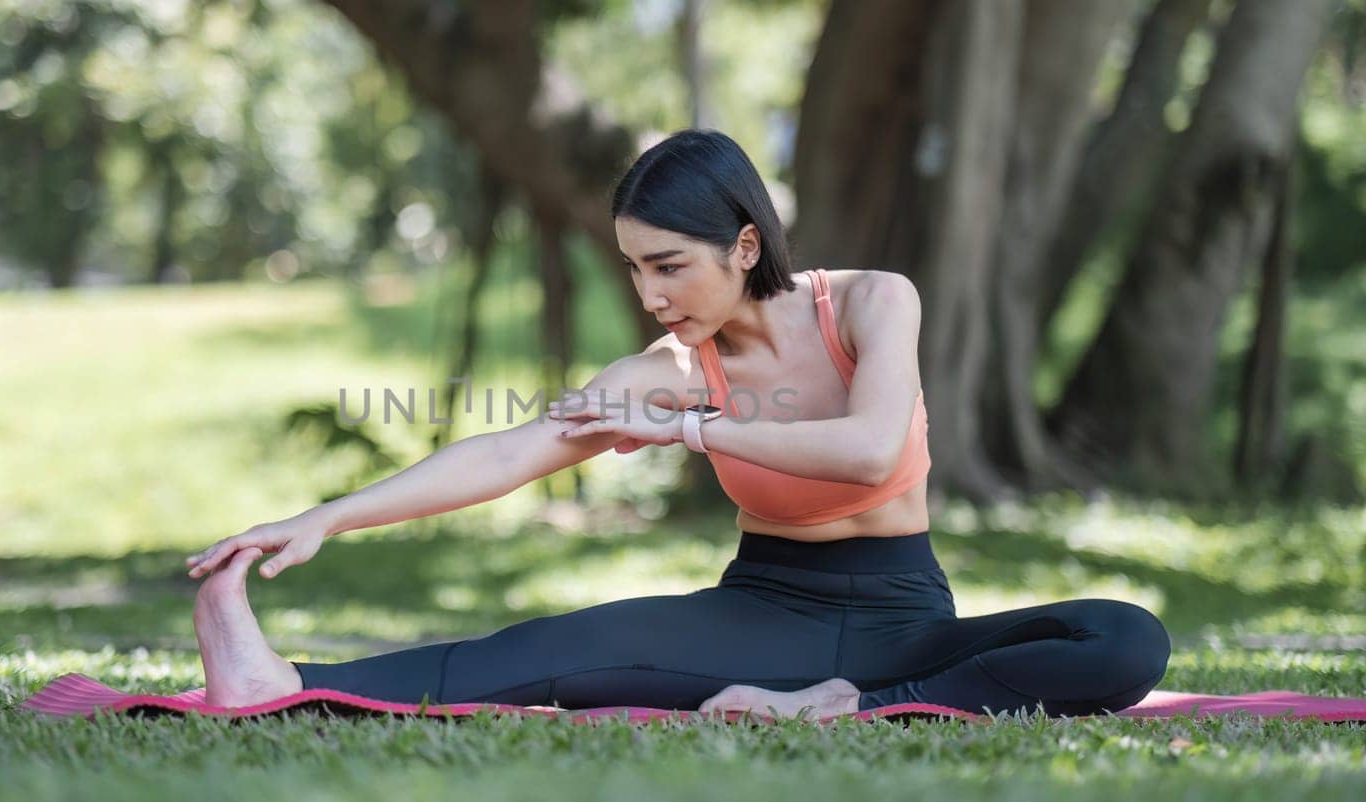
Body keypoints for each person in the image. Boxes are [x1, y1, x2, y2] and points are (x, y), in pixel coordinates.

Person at [185, 130, 1171, 718]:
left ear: (745, 245)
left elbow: (869, 446)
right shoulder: (667, 369)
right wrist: (327, 514)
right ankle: (288, 679)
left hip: (907, 623)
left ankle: (847, 711)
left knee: (1125, 639)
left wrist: (693, 432)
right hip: (761, 612)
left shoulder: (870, 303)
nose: (650, 294)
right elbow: (511, 449)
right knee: (547, 650)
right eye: (633, 268)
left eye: (669, 265)